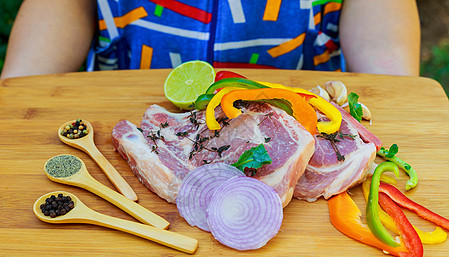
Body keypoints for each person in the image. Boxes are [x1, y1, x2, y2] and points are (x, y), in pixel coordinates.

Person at [0, 0, 420, 79]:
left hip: (302, 125)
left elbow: (389, 64)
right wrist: (22, 92)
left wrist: (397, 96)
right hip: (127, 119)